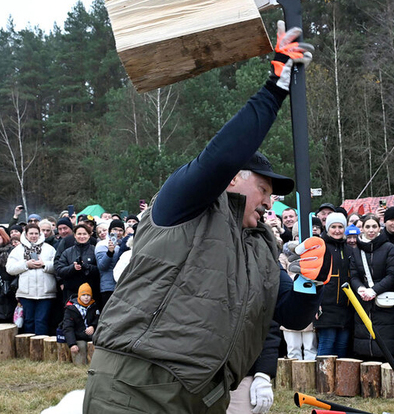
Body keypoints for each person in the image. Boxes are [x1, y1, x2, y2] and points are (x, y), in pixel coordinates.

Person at [84, 22, 322, 414]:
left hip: (206, 396)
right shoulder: (186, 203)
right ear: (232, 180)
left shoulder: (265, 247)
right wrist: (274, 89)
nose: (268, 202)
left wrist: (311, 281)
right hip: (136, 383)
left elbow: (293, 315)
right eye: (263, 189)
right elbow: (223, 155)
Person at [350, 214, 394, 361]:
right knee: (364, 345)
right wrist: (360, 289)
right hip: (363, 300)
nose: (371, 230)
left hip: (384, 302)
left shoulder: (389, 248)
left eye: (374, 226)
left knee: (385, 346)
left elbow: (392, 275)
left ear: (379, 228)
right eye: (367, 227)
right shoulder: (355, 250)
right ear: (362, 229)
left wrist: (374, 290)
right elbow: (353, 275)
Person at [315, 213, 355, 358]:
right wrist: (315, 303)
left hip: (346, 306)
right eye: (333, 227)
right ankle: (323, 380)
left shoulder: (349, 249)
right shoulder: (321, 246)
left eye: (340, 227)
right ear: (327, 227)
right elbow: (314, 276)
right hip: (326, 306)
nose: (337, 230)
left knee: (342, 347)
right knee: (327, 345)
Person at [7, 223, 57, 335]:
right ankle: (28, 348)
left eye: (36, 233)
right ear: (26, 234)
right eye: (31, 233)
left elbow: (57, 266)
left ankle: (41, 347)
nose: (34, 236)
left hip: (46, 292)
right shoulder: (18, 250)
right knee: (29, 321)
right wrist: (26, 264)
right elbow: (10, 268)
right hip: (26, 293)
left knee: (41, 321)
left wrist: (45, 264)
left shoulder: (49, 249)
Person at [55, 224, 99, 302]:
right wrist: (73, 268)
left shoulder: (95, 251)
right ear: (75, 235)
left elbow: (100, 269)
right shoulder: (67, 252)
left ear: (89, 235)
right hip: (71, 292)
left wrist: (87, 267)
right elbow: (59, 270)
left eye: (84, 234)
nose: (82, 236)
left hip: (91, 292)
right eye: (79, 234)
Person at [62, 283, 99, 365]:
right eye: (84, 295)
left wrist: (93, 326)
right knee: (80, 348)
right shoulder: (71, 309)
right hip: (78, 336)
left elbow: (98, 319)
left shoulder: (94, 306)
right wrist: (72, 344)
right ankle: (80, 365)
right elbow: (68, 327)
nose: (86, 297)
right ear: (79, 296)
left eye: (88, 295)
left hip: (92, 335)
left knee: (96, 346)